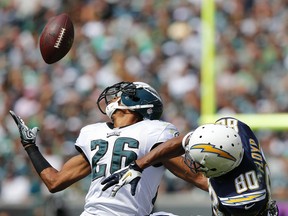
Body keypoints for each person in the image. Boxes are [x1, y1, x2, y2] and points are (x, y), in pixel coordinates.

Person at [10, 81, 208, 216]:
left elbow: (55, 182)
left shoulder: (153, 131)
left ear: (136, 101)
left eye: (121, 95)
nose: (113, 98)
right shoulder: (96, 132)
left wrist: (30, 147)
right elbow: (54, 182)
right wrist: (30, 147)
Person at [102, 117, 279, 216]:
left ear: (218, 169)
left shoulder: (245, 196)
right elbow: (186, 141)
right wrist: (138, 165)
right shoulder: (231, 131)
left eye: (197, 161)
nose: (191, 163)